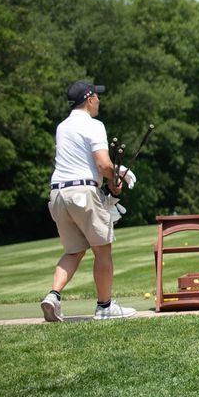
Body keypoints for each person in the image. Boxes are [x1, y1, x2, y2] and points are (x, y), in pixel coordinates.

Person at [40, 80, 137, 321]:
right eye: (98, 98)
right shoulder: (94, 125)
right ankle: (105, 306)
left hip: (58, 194)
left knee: (73, 251)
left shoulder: (62, 127)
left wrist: (109, 180)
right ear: (90, 98)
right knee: (102, 250)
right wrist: (119, 172)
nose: (99, 102)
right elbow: (103, 164)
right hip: (82, 193)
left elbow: (81, 164)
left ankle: (53, 296)